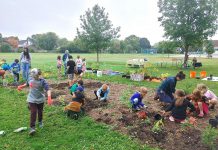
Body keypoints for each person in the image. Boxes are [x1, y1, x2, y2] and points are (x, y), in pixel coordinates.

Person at [17, 68, 51, 135]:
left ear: (37, 74)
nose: (32, 75)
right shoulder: (30, 79)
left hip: (40, 99)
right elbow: (27, 84)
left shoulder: (42, 81)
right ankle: (32, 128)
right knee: (33, 112)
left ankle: (40, 121)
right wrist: (21, 86)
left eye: (33, 74)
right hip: (31, 98)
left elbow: (48, 89)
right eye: (31, 74)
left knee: (40, 111)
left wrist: (49, 98)